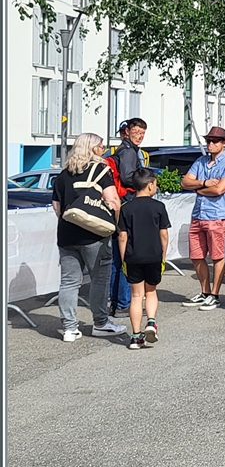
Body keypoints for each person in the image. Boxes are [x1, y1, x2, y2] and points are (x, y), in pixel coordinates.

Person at [52, 133, 126, 341]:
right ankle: (100, 323)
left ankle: (69, 328)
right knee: (99, 279)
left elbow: (57, 207)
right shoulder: (100, 170)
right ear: (93, 149)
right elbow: (114, 201)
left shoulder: (63, 175)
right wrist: (113, 226)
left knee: (69, 282)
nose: (104, 150)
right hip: (95, 234)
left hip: (67, 234)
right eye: (101, 146)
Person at [180, 126, 225, 311]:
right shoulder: (201, 161)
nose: (210, 144)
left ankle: (214, 295)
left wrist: (198, 189)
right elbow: (185, 182)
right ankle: (205, 292)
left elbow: (220, 189)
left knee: (217, 256)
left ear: (223, 143)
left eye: (214, 141)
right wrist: (203, 183)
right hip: (198, 214)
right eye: (208, 140)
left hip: (217, 215)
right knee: (196, 255)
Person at [117, 167, 171, 350]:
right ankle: (151, 322)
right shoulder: (159, 207)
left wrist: (124, 258)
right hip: (154, 255)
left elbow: (122, 236)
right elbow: (163, 234)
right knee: (151, 292)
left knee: (136, 295)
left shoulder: (126, 208)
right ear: (150, 185)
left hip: (133, 256)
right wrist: (163, 254)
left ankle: (135, 336)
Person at [106, 116, 148, 317]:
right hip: (127, 205)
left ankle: (115, 302)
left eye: (142, 133)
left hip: (119, 206)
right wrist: (145, 180)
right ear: (127, 132)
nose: (139, 136)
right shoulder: (129, 151)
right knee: (126, 255)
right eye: (136, 132)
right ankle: (123, 303)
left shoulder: (121, 150)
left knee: (117, 256)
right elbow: (127, 176)